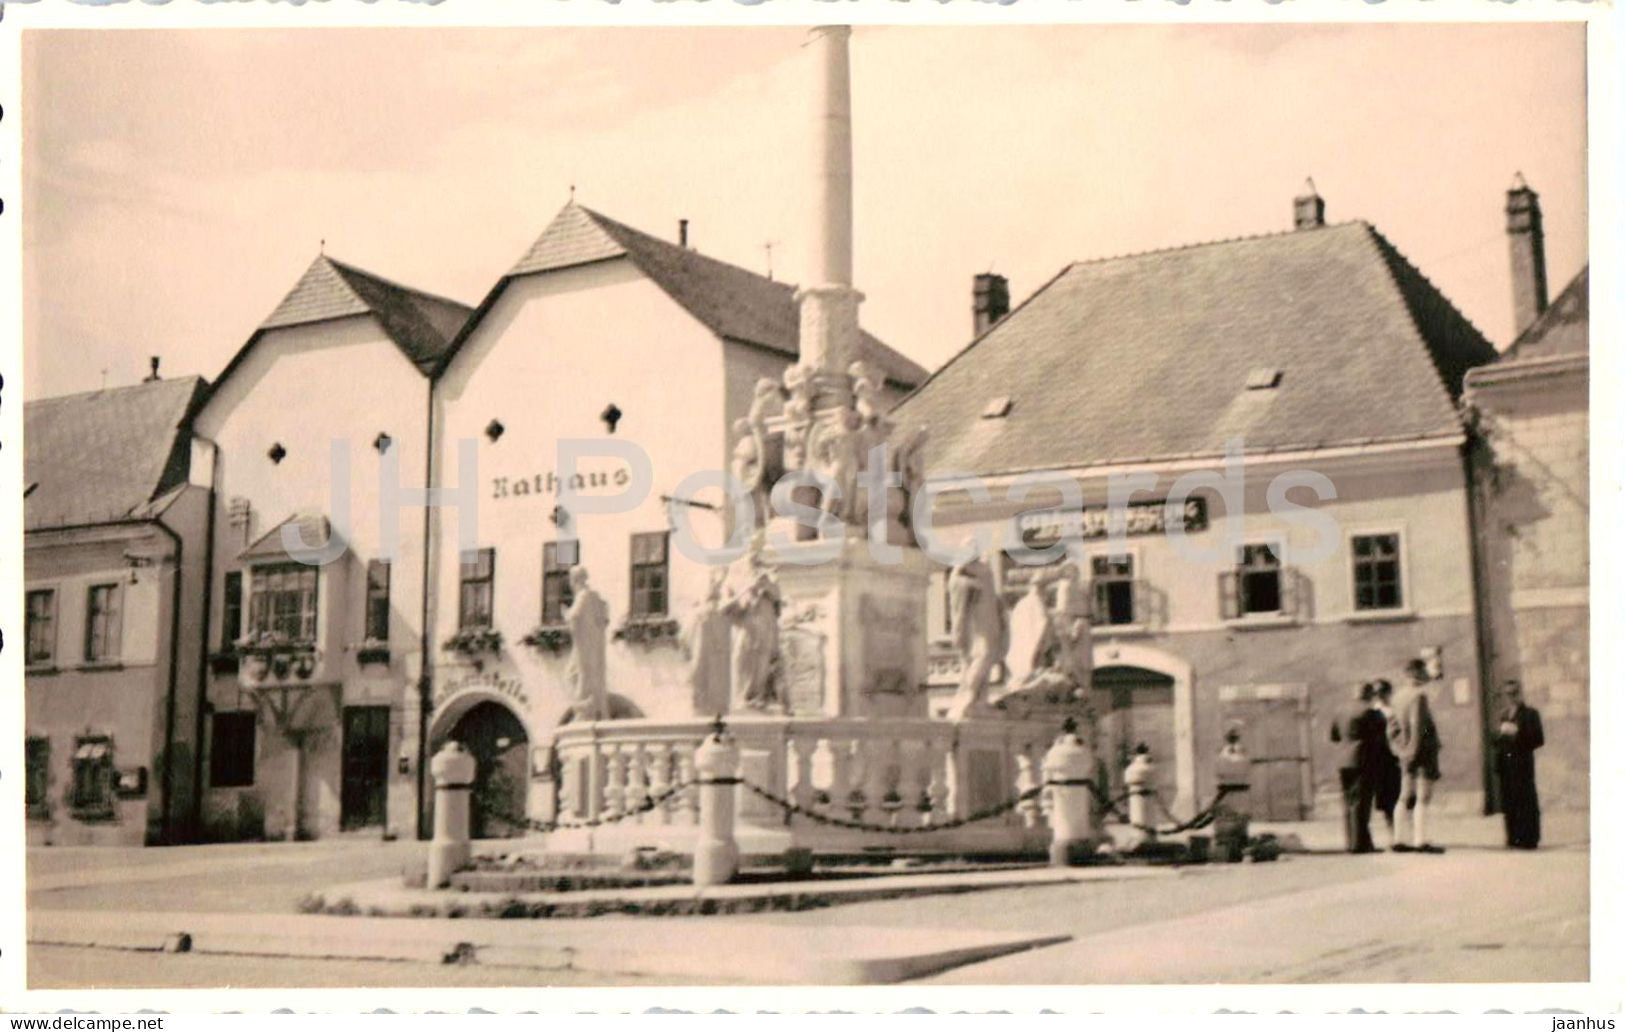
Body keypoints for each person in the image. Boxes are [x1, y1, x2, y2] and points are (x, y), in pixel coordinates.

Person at [1388, 659, 1444, 854]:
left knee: (1403, 796)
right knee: (1423, 797)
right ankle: (1420, 840)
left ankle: (1398, 839)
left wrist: (1399, 750)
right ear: (1416, 673)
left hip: (1405, 753)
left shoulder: (1396, 697)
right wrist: (1413, 751)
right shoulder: (1419, 696)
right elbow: (1418, 726)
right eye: (1423, 672)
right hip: (1422, 753)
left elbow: (1392, 729)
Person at [1329, 682, 1383, 854]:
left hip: (1343, 761)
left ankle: (1352, 842)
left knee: (1349, 802)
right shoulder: (1371, 712)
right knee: (1362, 803)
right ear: (1369, 694)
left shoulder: (1340, 711)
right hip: (1363, 760)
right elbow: (1379, 736)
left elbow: (1334, 736)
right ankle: (1360, 844)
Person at [1493, 679, 1545, 849]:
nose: (1511, 697)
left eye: (1514, 693)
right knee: (1509, 803)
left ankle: (1529, 839)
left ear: (1520, 693)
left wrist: (1518, 733)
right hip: (1506, 766)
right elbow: (1494, 740)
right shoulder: (1503, 715)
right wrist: (1500, 735)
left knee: (1526, 801)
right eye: (1508, 694)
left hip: (1522, 765)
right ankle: (1513, 838)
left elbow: (1538, 740)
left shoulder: (1531, 714)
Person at [1369, 679, 1403, 851]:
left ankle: (1396, 835)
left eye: (1383, 692)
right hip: (1380, 758)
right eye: (1378, 693)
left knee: (1394, 798)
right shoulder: (1373, 712)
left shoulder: (1392, 711)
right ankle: (1393, 835)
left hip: (1392, 757)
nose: (1381, 696)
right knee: (1386, 800)